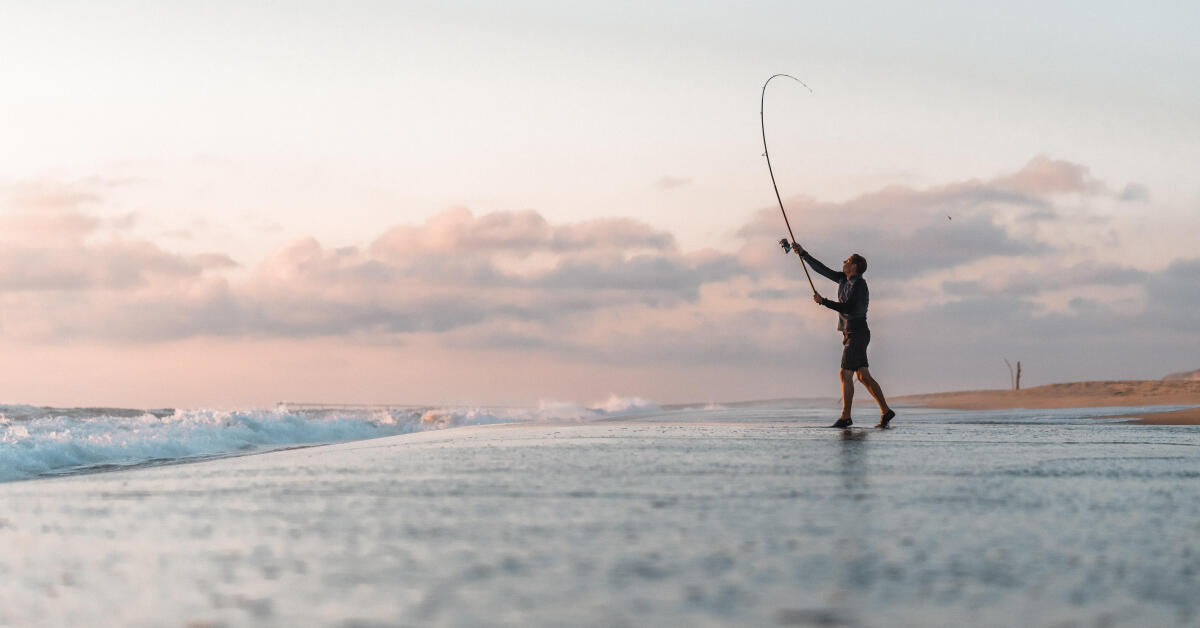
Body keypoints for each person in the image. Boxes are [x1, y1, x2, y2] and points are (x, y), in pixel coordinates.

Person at [791, 244, 895, 429]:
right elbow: (821, 269)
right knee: (863, 377)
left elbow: (848, 307)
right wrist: (803, 254)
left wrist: (824, 302)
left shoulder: (860, 285)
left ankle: (846, 417)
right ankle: (886, 411)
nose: (843, 262)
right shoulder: (842, 278)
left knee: (845, 374)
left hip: (858, 334)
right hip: (851, 334)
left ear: (854, 266)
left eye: (847, 261)